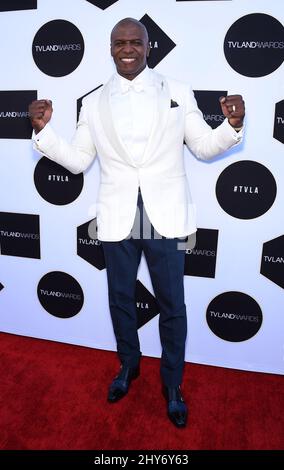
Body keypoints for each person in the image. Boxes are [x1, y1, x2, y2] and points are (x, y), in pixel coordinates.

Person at [29, 17, 245, 428]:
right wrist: (44, 133)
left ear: (148, 46)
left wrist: (231, 128)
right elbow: (78, 160)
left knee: (172, 305)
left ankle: (173, 383)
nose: (127, 48)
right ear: (110, 49)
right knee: (120, 300)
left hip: (165, 215)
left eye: (135, 41)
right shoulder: (92, 102)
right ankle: (128, 367)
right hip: (118, 217)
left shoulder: (177, 91)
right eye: (119, 42)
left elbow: (201, 147)